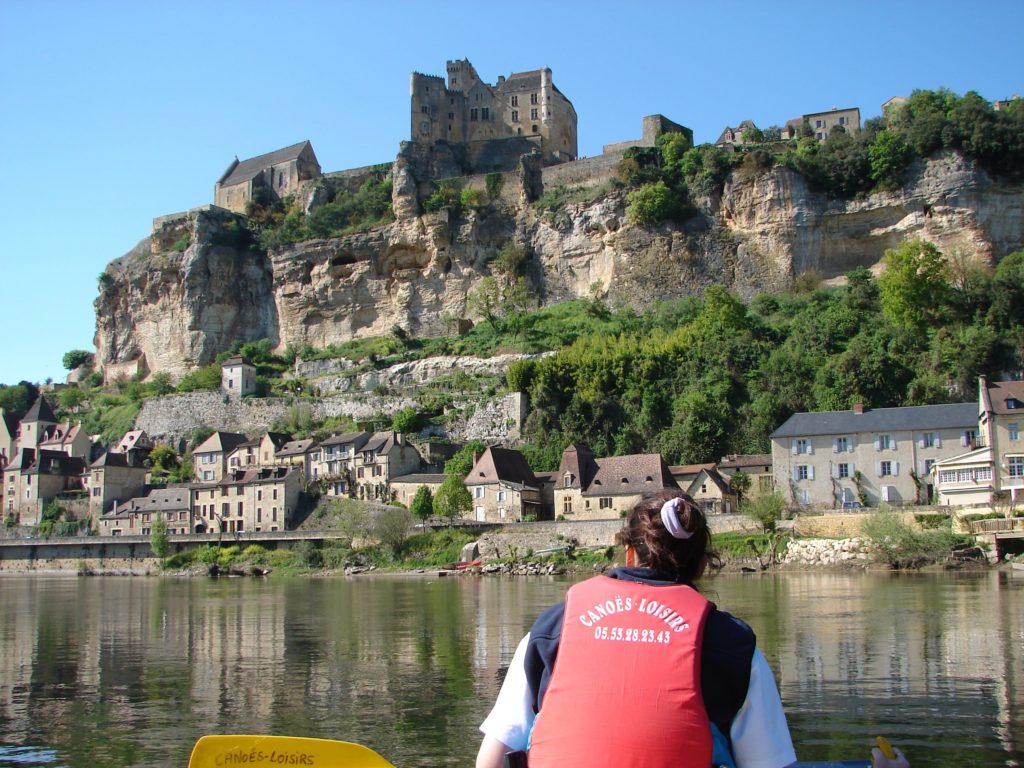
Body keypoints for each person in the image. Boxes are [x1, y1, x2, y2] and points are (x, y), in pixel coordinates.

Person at [475, 489, 909, 768]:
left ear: (629, 553)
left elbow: (491, 760)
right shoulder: (731, 644)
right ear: (702, 564)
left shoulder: (551, 629)